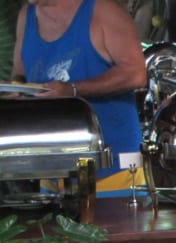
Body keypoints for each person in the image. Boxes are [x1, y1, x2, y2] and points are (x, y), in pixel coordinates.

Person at [11, 0, 147, 188]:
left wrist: (73, 90)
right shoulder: (26, 16)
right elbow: (20, 73)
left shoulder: (103, 11)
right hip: (52, 173)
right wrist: (17, 88)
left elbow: (136, 74)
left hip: (114, 170)